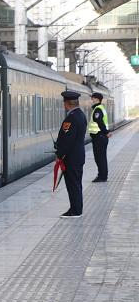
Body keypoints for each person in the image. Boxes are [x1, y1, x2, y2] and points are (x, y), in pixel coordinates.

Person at [55, 90, 87, 218]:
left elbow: (67, 140)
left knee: (73, 184)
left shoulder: (71, 118)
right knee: (76, 184)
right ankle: (76, 209)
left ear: (67, 104)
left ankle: (75, 211)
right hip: (78, 156)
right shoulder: (81, 115)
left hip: (71, 158)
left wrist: (59, 155)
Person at [88, 92, 110, 182]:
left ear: (97, 99)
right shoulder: (99, 108)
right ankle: (102, 175)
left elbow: (99, 122)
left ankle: (102, 176)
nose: (91, 99)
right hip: (100, 137)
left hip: (99, 137)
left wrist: (106, 132)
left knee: (100, 158)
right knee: (101, 157)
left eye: (92, 98)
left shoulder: (97, 109)